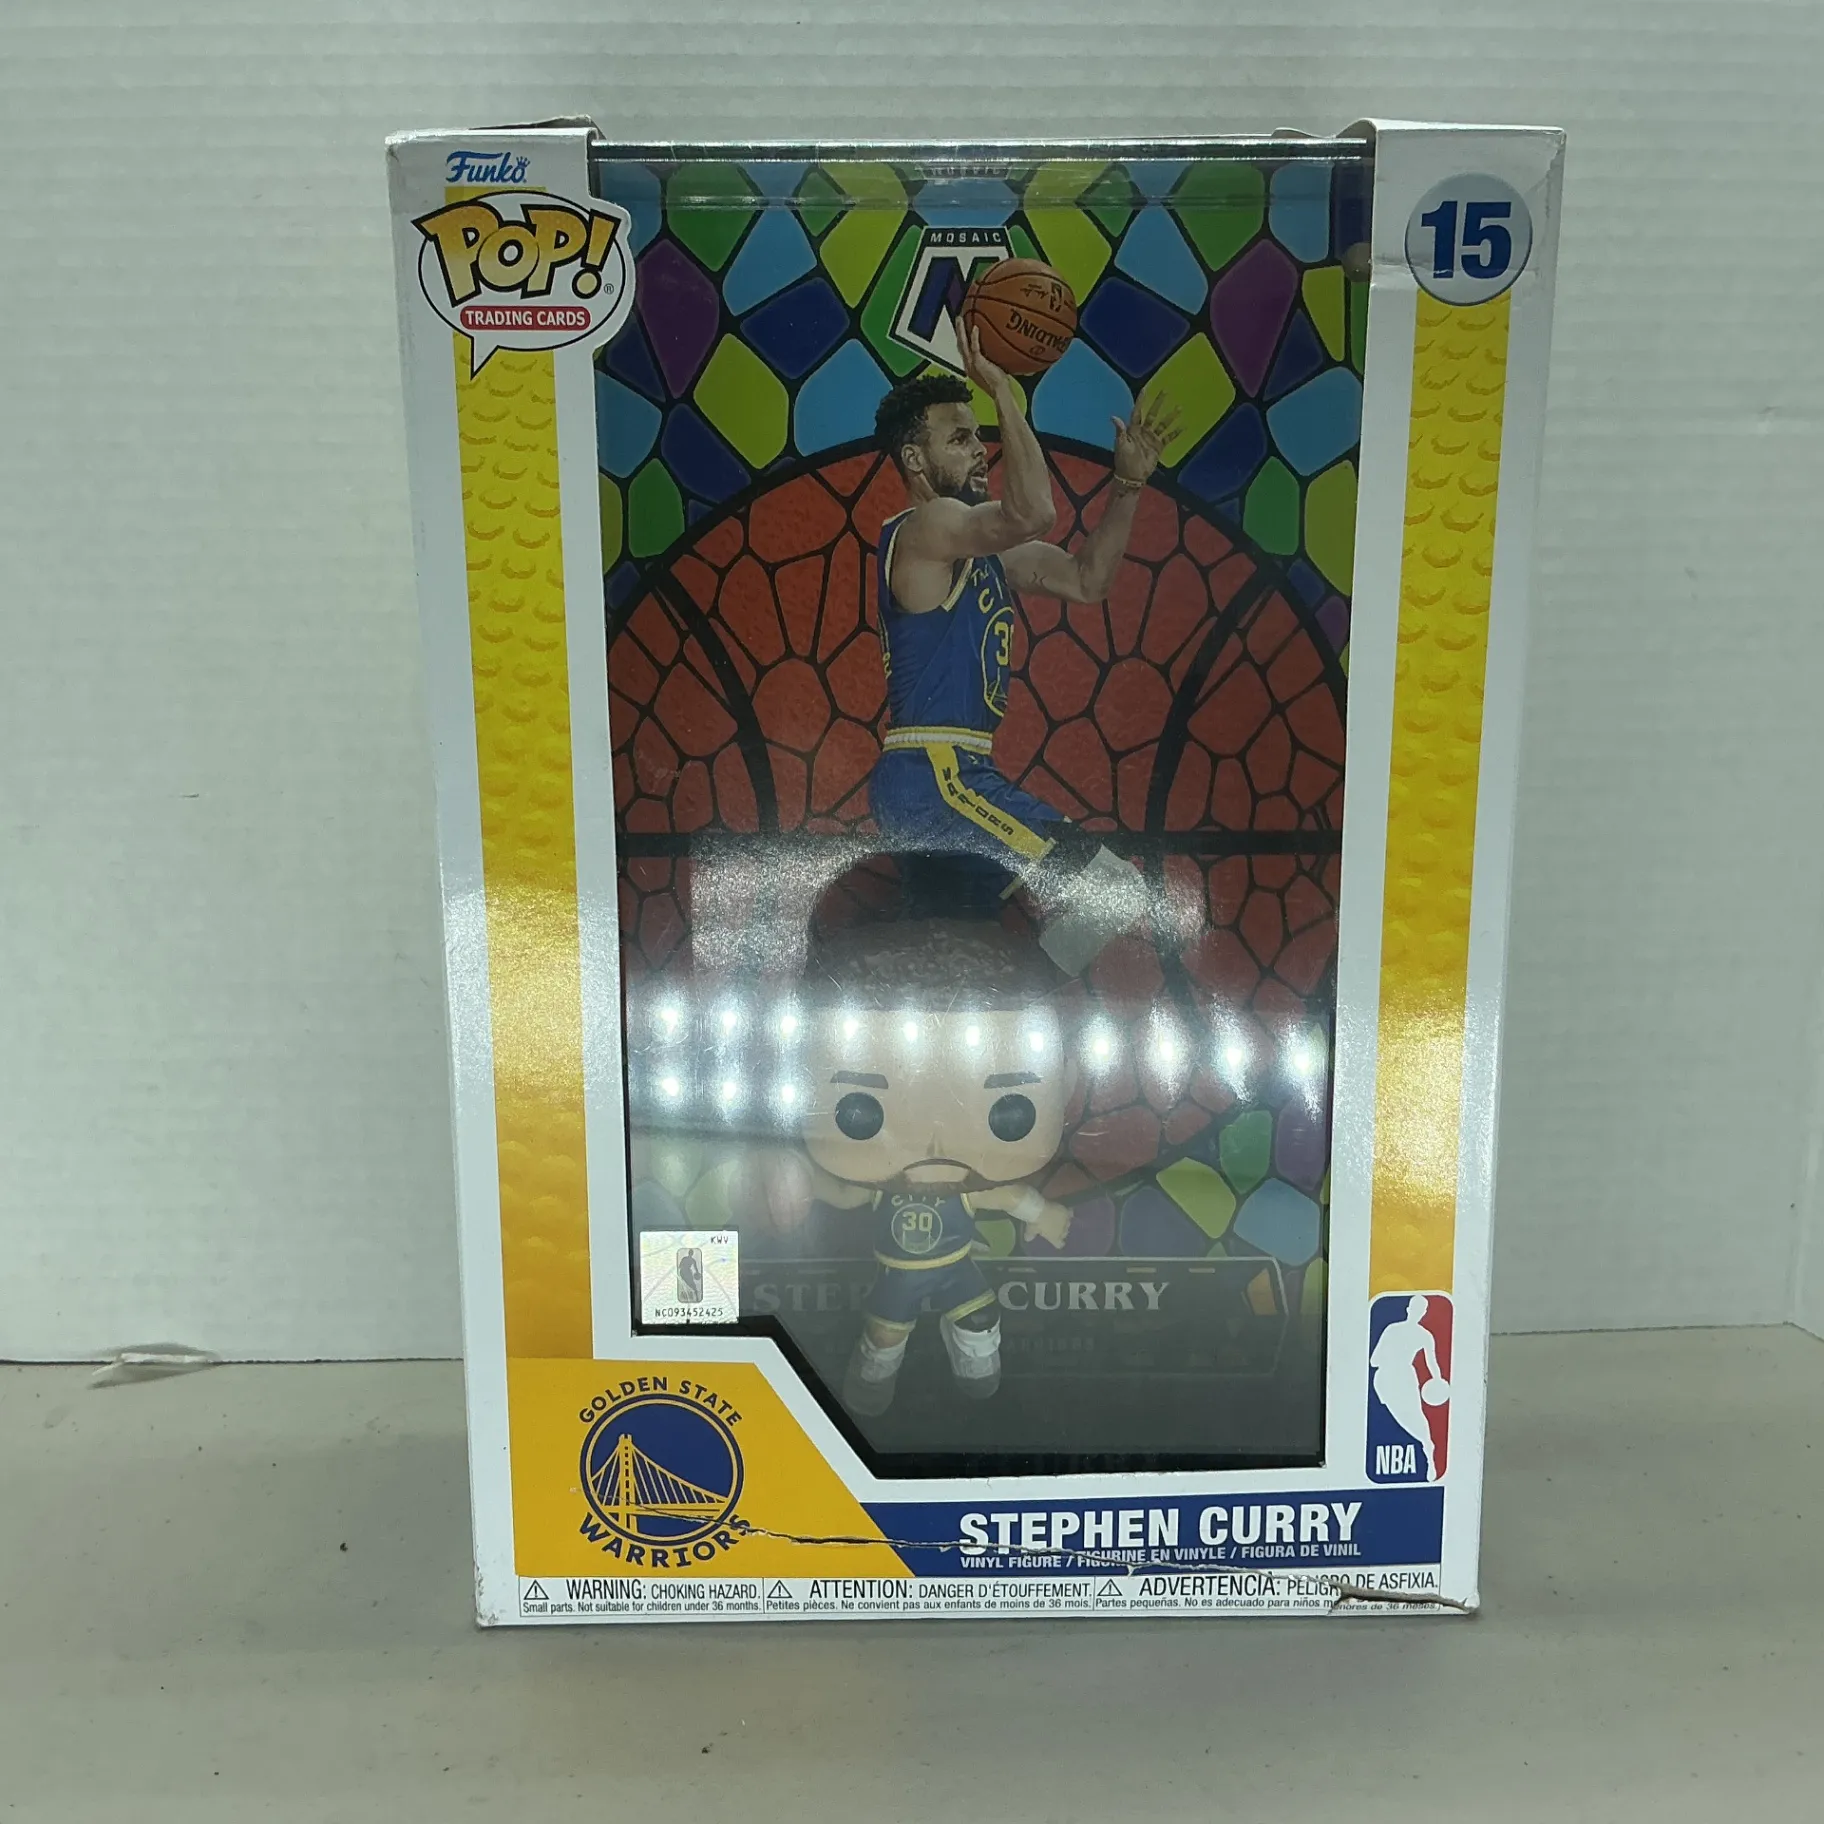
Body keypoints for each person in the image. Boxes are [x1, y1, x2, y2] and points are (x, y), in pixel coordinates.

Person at [868, 327, 1179, 976]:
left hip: (943, 775)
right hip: (937, 774)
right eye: (959, 439)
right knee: (1110, 888)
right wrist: (1004, 391)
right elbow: (1034, 512)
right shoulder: (929, 526)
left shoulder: (981, 552)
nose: (979, 451)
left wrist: (1127, 486)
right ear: (915, 460)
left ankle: (985, 1003)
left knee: (963, 952)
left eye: (978, 436)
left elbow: (1087, 581)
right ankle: (1025, 996)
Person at [792, 917, 1077, 1417]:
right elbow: (842, 1193)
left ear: (1066, 1079)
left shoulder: (964, 1188)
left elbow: (1006, 1195)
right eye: (860, 1110)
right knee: (885, 1335)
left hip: (957, 1269)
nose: (935, 1143)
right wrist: (800, 1183)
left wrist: (1044, 1213)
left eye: (1009, 1110)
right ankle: (874, 1375)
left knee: (980, 1320)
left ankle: (976, 1364)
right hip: (897, 1278)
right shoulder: (882, 1185)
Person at [1369, 1295, 1450, 1482]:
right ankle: (1427, 1445)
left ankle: (1428, 1449)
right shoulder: (1417, 1334)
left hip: (1395, 1377)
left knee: (1411, 1415)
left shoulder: (1399, 1331)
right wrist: (1437, 1379)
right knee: (1406, 1416)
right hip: (1392, 1378)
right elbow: (1432, 1364)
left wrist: (1438, 1381)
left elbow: (1375, 1360)